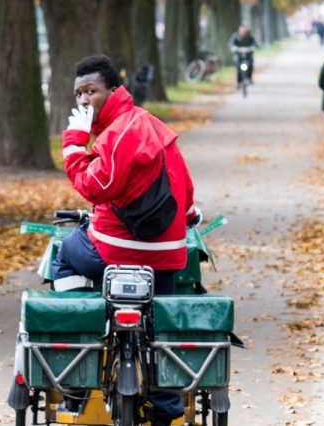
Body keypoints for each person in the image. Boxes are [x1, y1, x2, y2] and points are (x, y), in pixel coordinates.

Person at [54, 54, 200, 426]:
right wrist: (187, 216)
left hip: (115, 252)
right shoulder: (151, 124)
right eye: (79, 95)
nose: (84, 101)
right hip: (165, 256)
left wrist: (73, 144)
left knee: (65, 254)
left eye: (92, 92)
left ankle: (78, 359)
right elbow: (182, 185)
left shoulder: (119, 132)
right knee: (159, 332)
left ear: (114, 91)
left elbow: (96, 185)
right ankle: (167, 413)